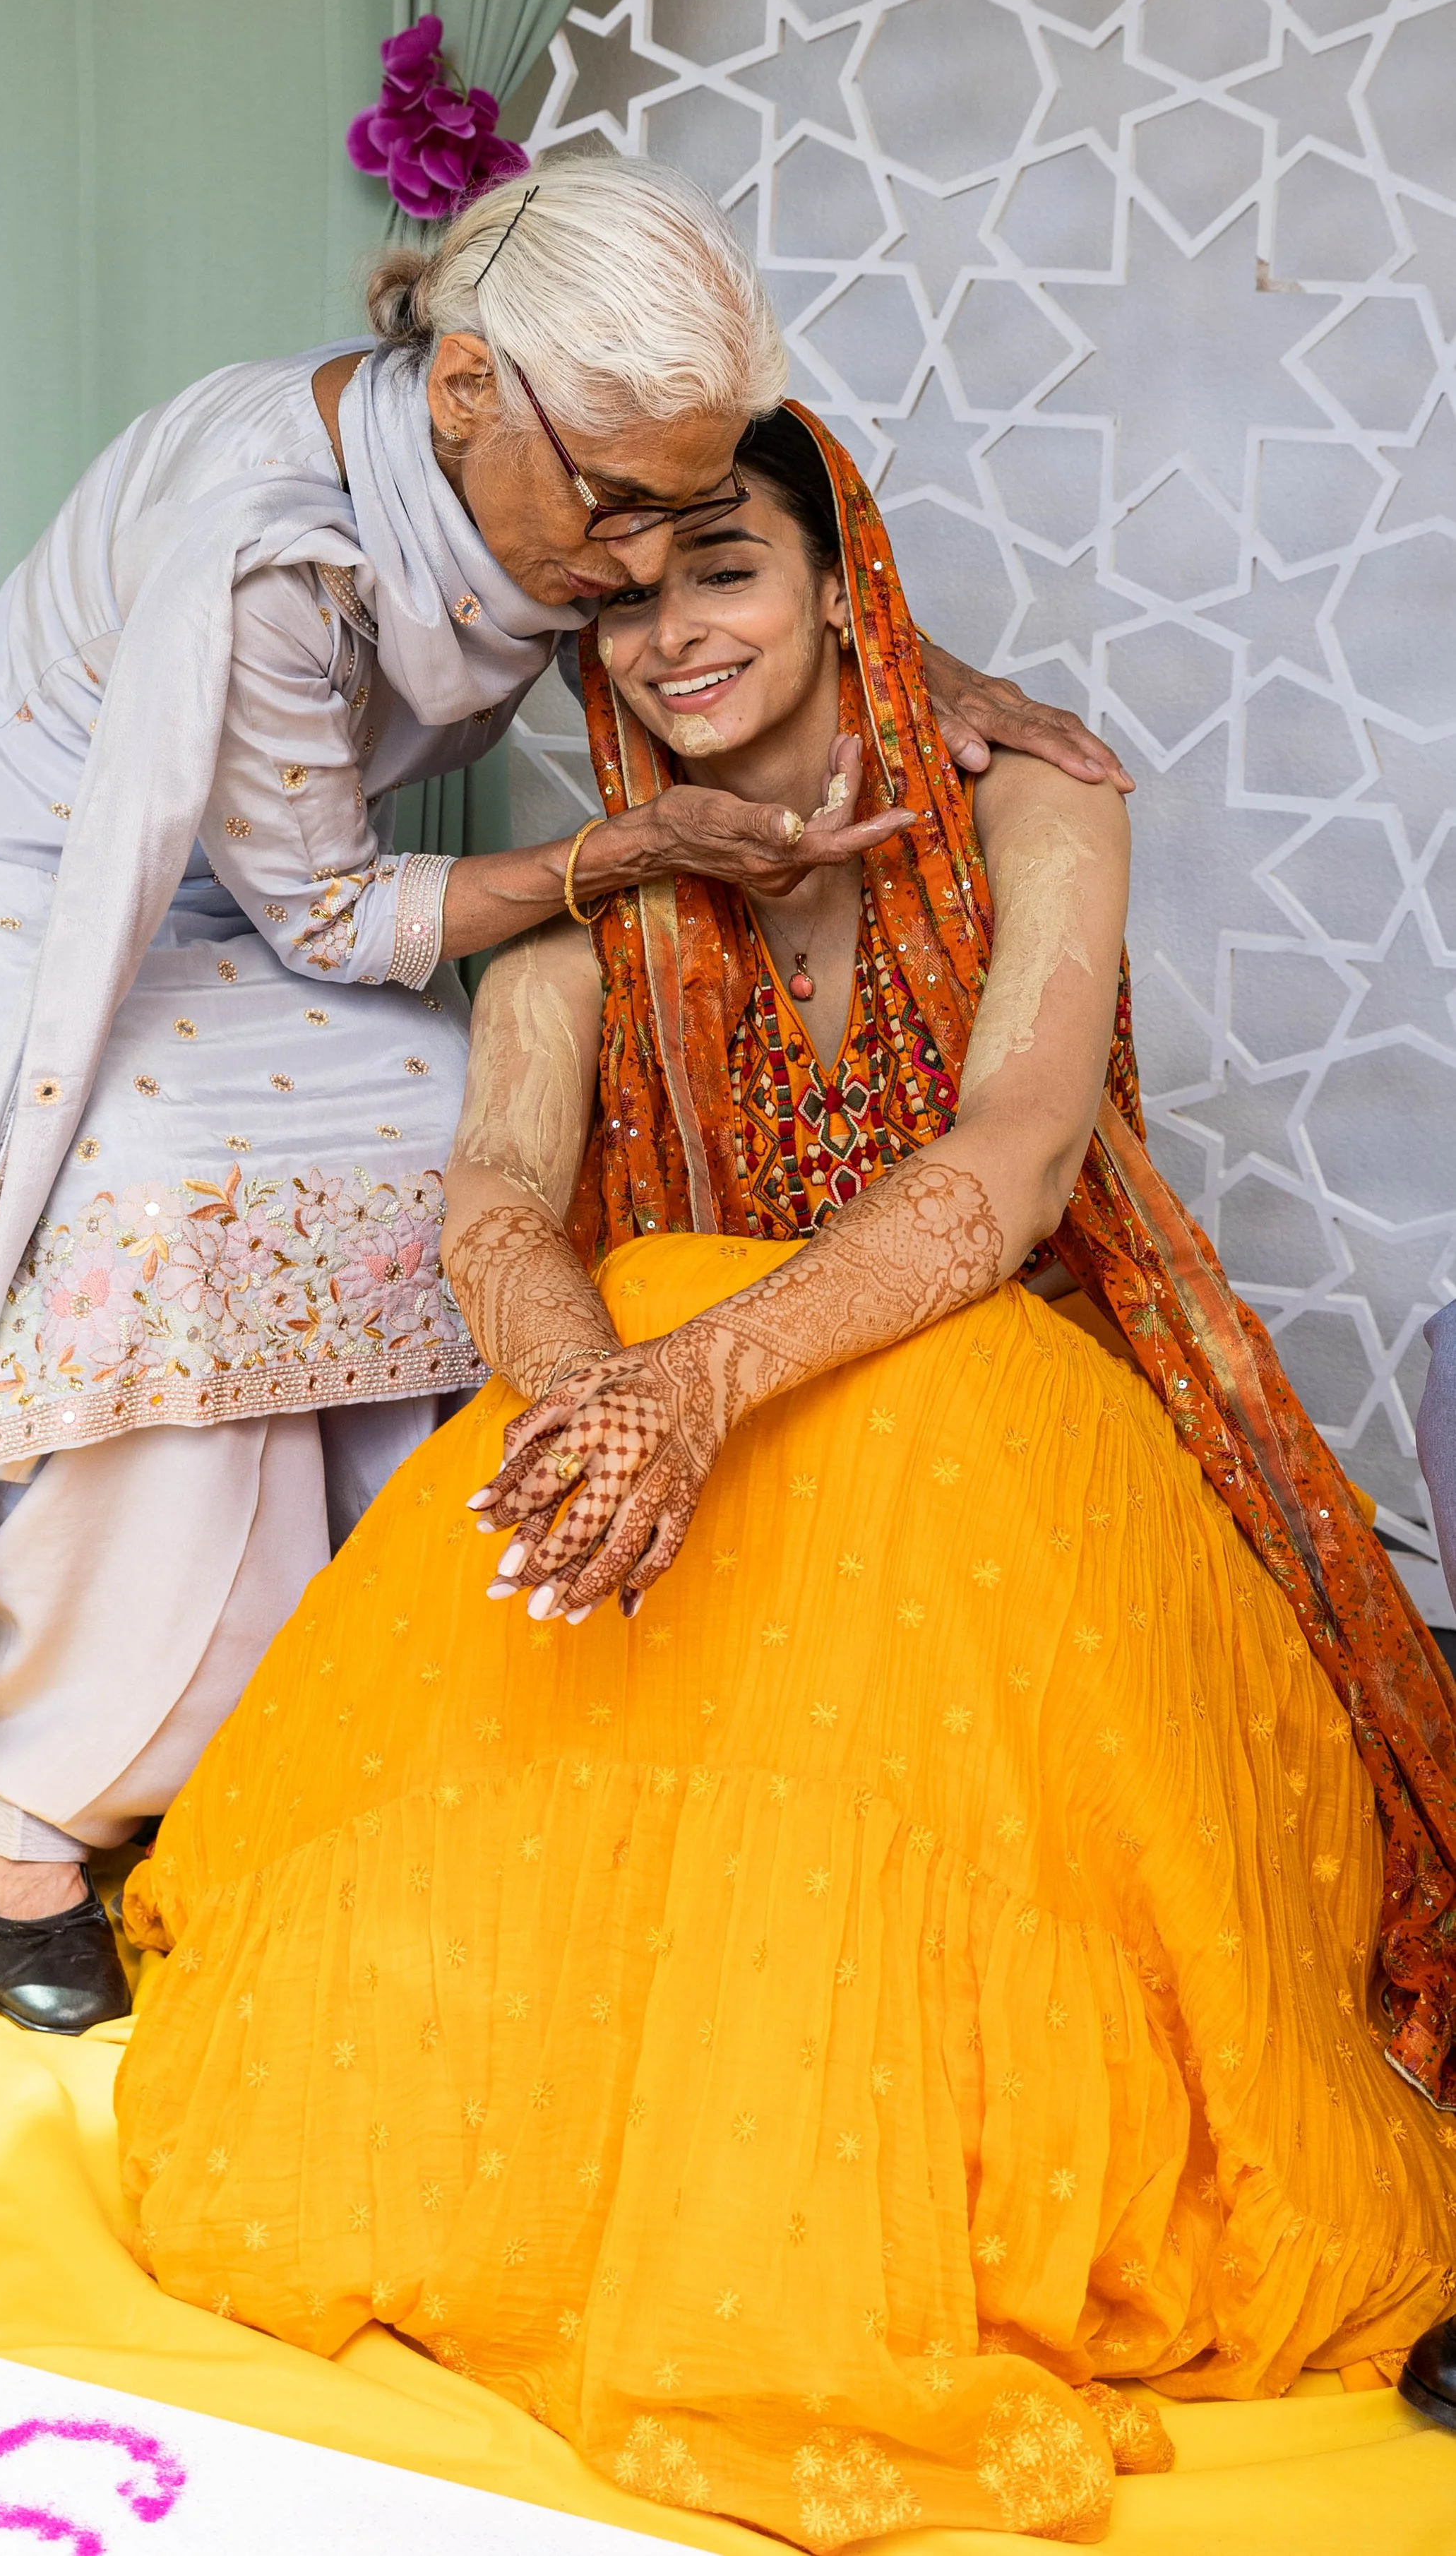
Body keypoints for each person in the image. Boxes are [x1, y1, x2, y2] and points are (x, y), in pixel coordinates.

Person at [115, 405, 1456, 2544]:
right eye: (621, 600)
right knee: (635, 1283)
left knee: (904, 1392)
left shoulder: (1034, 797)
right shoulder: (599, 872)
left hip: (1000, 1422)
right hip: (677, 1449)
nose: (668, 639)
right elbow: (497, 1204)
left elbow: (1007, 1172)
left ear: (843, 578)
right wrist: (588, 1397)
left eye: (721, 570)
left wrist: (695, 1386)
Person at [0, 160, 1120, 2030]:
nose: (629, 564)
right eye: (614, 509)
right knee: (166, 1185)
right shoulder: (276, 544)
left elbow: (733, 557)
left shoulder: (564, 477)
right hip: (3, 883)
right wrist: (621, 852)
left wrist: (913, 661)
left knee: (432, 1128)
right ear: (464, 395)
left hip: (242, 902)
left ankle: (314, 1718)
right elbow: (338, 912)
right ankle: (29, 1797)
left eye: (677, 517)